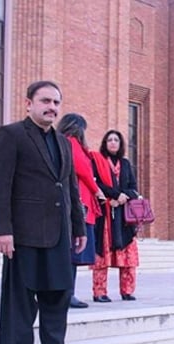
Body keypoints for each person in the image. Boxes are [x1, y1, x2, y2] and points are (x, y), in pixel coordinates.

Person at [0, 80, 95, 344]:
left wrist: (78, 226)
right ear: (29, 104)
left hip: (60, 234)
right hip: (23, 234)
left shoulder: (63, 142)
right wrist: (1, 229)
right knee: (21, 303)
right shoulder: (11, 135)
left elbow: (71, 187)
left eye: (56, 102)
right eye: (45, 101)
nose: (51, 107)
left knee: (58, 298)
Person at [57, 113, 106, 308]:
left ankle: (67, 294)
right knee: (73, 251)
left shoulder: (63, 142)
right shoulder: (71, 142)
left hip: (78, 202)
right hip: (80, 204)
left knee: (72, 253)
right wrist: (97, 190)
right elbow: (83, 170)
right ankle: (67, 295)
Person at [90, 129, 140, 302]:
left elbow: (134, 188)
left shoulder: (125, 164)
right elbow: (95, 183)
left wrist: (123, 197)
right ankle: (99, 292)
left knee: (128, 256)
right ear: (105, 143)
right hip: (105, 214)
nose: (113, 142)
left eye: (116, 140)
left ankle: (127, 291)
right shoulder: (97, 161)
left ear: (120, 144)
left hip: (124, 217)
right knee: (102, 255)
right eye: (109, 140)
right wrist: (113, 196)